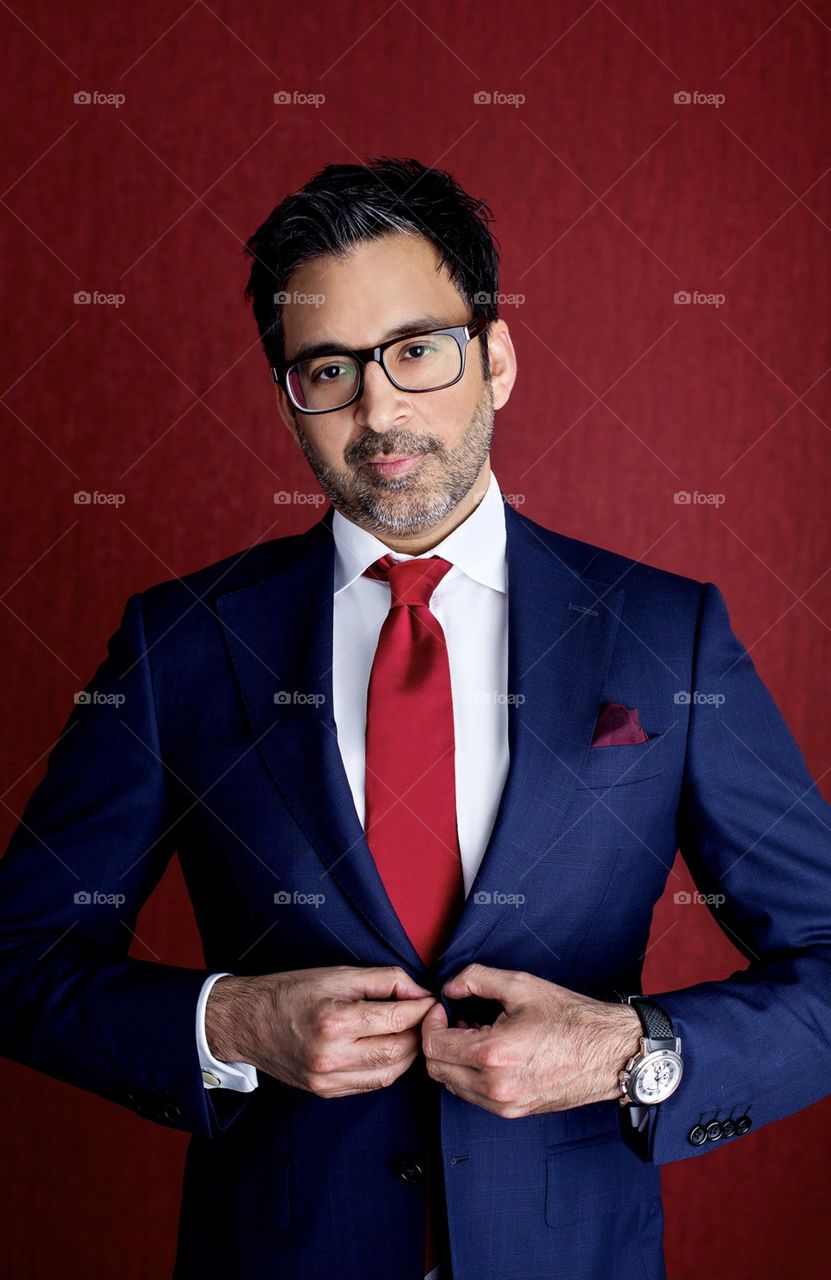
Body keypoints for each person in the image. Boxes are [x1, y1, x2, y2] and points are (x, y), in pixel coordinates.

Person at [2, 157, 830, 1280]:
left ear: (495, 357)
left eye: (417, 351)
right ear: (288, 396)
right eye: (328, 369)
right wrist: (228, 1024)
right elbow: (21, 957)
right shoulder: (181, 644)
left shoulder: (663, 632)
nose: (380, 408)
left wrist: (633, 1052)